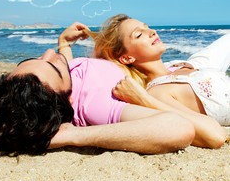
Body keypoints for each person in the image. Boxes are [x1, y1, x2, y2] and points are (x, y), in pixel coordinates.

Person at [0, 23, 226, 157]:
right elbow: (177, 129)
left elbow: (68, 71)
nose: (49, 53)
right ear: (63, 100)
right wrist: (71, 136)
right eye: (55, 66)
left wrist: (63, 46)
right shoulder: (96, 104)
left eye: (38, 58)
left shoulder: (60, 80)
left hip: (178, 68)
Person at [88, 14, 230, 126]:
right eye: (139, 34)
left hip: (180, 67)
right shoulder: (157, 93)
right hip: (191, 80)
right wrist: (64, 45)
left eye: (147, 27)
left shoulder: (173, 65)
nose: (152, 32)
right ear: (127, 58)